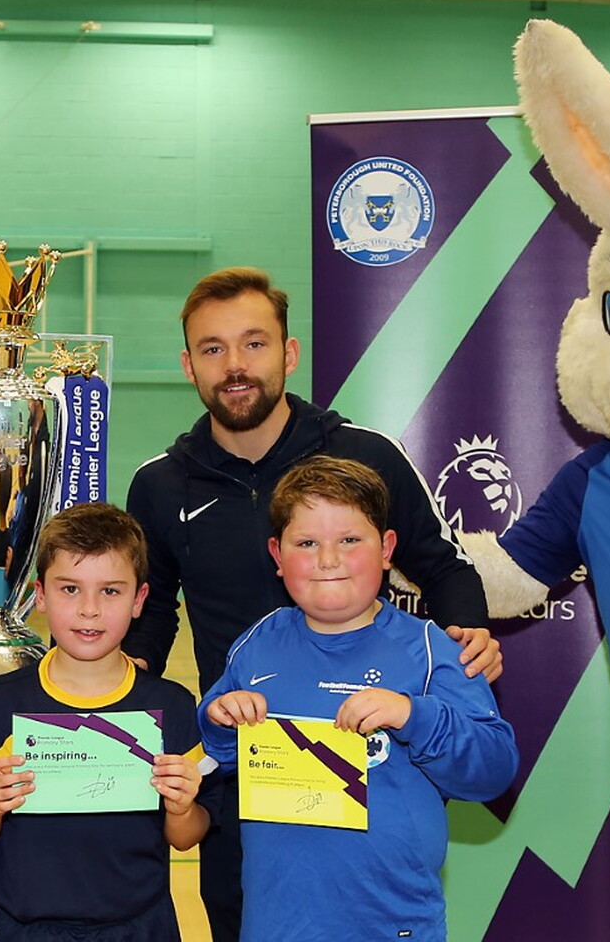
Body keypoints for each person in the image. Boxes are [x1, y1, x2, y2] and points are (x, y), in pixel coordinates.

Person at [122, 266, 502, 940]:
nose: (235, 366)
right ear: (188, 366)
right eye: (212, 348)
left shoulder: (364, 454)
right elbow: (152, 611)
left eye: (254, 343)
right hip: (244, 763)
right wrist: (113, 698)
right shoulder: (160, 483)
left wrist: (464, 635)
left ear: (288, 353)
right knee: (249, 917)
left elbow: (441, 564)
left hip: (374, 764)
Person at [199, 456, 518, 941]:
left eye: (349, 540)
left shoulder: (431, 649)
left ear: (387, 549)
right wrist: (219, 721)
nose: (328, 560)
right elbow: (216, 754)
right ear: (277, 555)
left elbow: (493, 771)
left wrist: (415, 716)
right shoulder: (258, 642)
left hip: (392, 922)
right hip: (277, 923)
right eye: (307, 543)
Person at [0, 503, 213, 941]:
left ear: (139, 600)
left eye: (110, 591)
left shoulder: (171, 705)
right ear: (40, 595)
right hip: (31, 931)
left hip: (141, 928)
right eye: (70, 589)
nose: (89, 609)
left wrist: (183, 806)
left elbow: (187, 837)